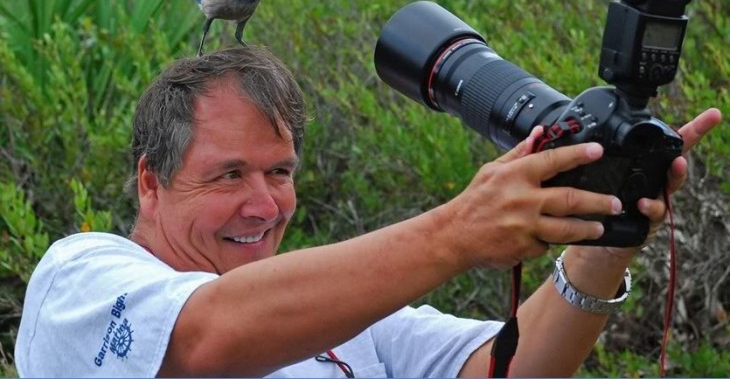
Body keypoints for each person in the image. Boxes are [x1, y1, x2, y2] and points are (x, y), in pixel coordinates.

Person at [14, 46, 721, 378]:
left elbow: (509, 368)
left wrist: (605, 230)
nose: (263, 204)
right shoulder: (81, 279)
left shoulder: (346, 320)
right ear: (150, 182)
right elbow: (207, 337)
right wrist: (459, 230)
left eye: (280, 172)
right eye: (228, 174)